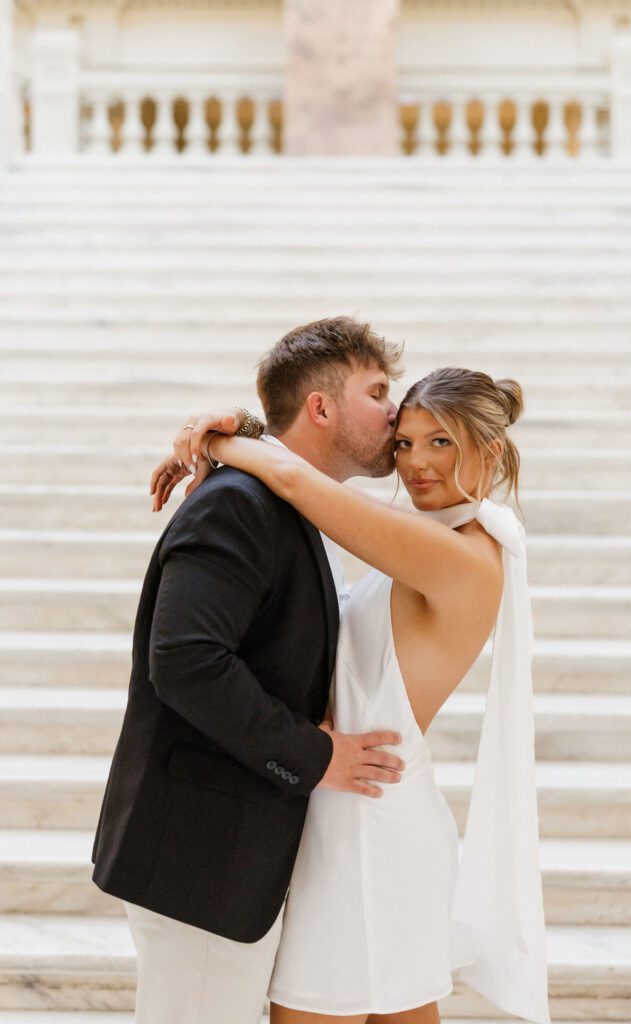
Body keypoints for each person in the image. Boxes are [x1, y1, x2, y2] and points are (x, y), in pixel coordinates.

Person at [151, 363, 552, 1024]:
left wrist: (216, 440)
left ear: (493, 451)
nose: (416, 462)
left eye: (441, 441)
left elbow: (290, 478)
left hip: (367, 826)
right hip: (369, 814)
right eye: (404, 443)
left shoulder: (461, 556)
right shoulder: (446, 541)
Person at [91, 317, 409, 1024]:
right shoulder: (241, 502)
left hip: (230, 850)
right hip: (201, 856)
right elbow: (185, 660)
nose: (396, 410)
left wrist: (235, 428)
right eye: (378, 390)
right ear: (321, 408)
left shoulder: (282, 500)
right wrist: (315, 753)